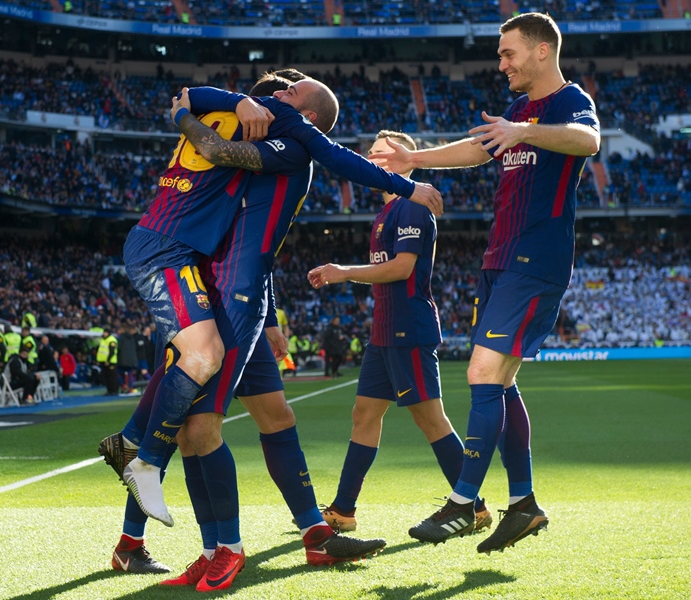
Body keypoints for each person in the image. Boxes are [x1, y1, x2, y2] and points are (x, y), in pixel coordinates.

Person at [118, 70, 443, 541]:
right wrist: (205, 108)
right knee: (194, 424)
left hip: (244, 301)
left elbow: (261, 240)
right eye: (271, 94)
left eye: (287, 93)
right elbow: (222, 166)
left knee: (273, 415)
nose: (275, 98)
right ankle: (171, 538)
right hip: (210, 296)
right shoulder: (252, 138)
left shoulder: (286, 144)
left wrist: (268, 316)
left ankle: (314, 529)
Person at [382, 13, 600, 552]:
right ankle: (523, 504)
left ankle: (462, 504)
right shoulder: (517, 111)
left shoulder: (567, 101)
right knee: (499, 382)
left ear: (543, 51)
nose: (501, 64)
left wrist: (523, 131)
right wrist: (413, 158)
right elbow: (479, 149)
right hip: (499, 260)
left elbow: (588, 140)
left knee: (482, 371)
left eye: (509, 54)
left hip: (536, 259)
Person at [307, 130, 492, 537]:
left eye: (380, 154)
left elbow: (402, 268)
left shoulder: (411, 207)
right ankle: (342, 510)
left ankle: (474, 507)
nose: (371, 160)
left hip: (408, 327)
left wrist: (345, 272)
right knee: (364, 414)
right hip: (384, 331)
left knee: (429, 419)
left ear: (404, 160)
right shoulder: (385, 213)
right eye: (369, 154)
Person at [96, 325, 119, 395]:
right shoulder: (103, 339)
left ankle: (114, 390)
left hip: (110, 362)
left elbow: (111, 352)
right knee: (106, 377)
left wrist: (108, 360)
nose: (104, 333)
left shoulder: (111, 340)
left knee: (112, 377)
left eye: (105, 332)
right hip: (103, 361)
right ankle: (109, 390)